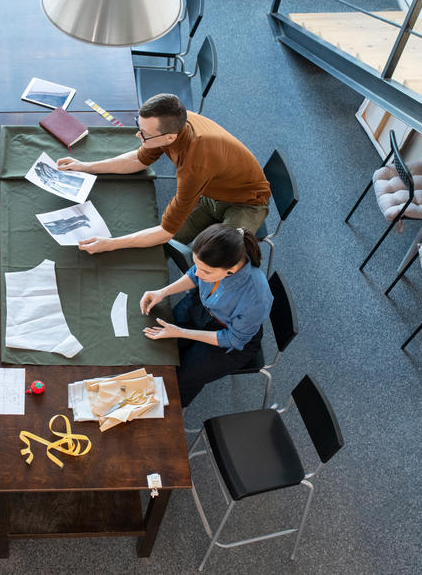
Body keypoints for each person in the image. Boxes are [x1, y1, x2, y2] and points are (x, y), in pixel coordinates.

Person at [56, 93, 270, 253]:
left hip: (246, 203)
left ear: (170, 138)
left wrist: (111, 244)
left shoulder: (195, 164)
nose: (139, 136)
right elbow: (138, 159)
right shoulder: (173, 125)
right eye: (138, 127)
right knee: (161, 248)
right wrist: (85, 166)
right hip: (212, 193)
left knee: (219, 256)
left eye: (145, 134)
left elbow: (165, 231)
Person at [138, 224, 272, 408]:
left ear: (231, 269)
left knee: (180, 379)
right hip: (201, 308)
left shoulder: (256, 296)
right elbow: (195, 275)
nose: (199, 274)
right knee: (158, 349)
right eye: (197, 265)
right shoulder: (211, 265)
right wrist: (163, 292)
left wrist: (181, 332)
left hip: (228, 337)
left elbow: (233, 339)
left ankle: (171, 410)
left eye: (206, 272)